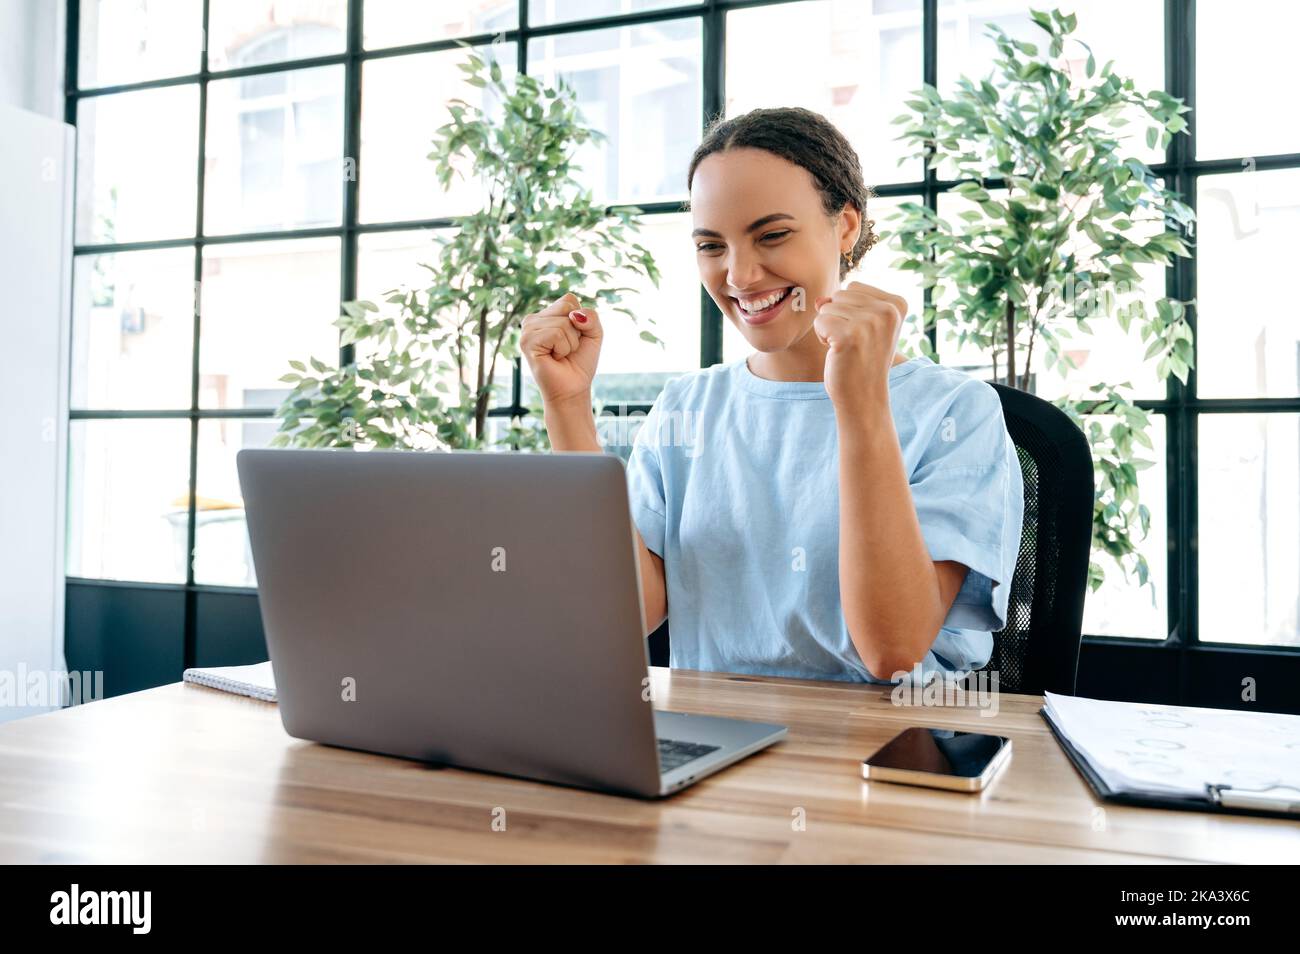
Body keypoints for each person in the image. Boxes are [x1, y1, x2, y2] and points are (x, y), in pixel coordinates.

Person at [520, 106, 1024, 685]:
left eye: (773, 235)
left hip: (888, 751)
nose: (739, 275)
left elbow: (895, 652)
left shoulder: (955, 412)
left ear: (846, 228)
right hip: (713, 744)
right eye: (711, 246)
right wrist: (567, 408)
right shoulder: (687, 410)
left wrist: (860, 404)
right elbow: (629, 612)